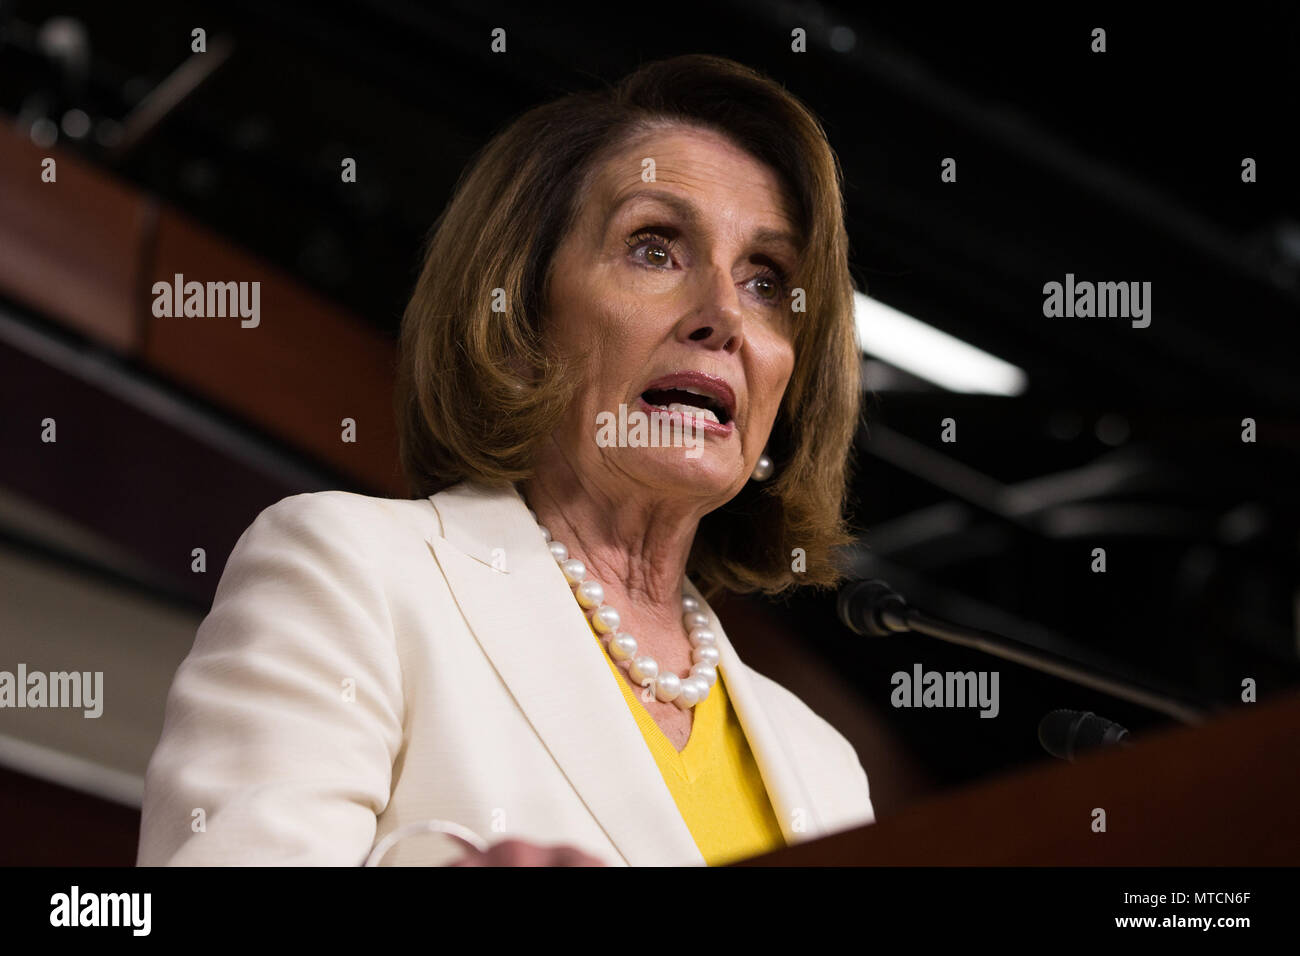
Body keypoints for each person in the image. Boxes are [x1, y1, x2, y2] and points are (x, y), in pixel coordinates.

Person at [137, 53, 873, 867]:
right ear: (522, 312)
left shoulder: (828, 770)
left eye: (767, 281)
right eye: (655, 248)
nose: (723, 315)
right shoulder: (351, 572)